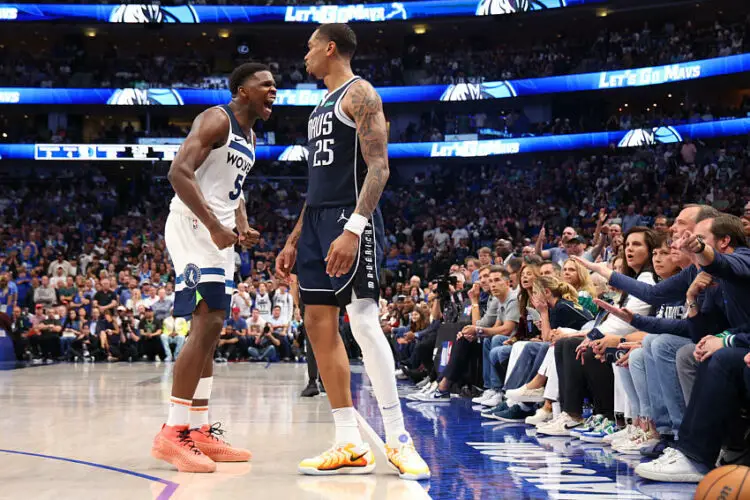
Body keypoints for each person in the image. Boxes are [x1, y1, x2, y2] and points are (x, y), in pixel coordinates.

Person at [275, 23, 429, 480]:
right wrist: (295, 235)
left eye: (309, 49)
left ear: (330, 48)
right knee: (317, 322)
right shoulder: (318, 105)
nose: (304, 57)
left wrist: (354, 228)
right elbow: (316, 183)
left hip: (350, 218)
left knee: (362, 318)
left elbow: (379, 167)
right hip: (318, 219)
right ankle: (349, 441)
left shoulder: (361, 94)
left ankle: (399, 439)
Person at [152, 62, 276, 473]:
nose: (274, 90)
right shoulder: (215, 119)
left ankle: (200, 429)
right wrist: (213, 225)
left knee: (214, 326)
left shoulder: (251, 135)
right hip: (191, 226)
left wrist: (240, 223)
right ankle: (173, 431)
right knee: (206, 322)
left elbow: (232, 189)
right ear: (242, 90)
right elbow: (178, 172)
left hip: (219, 232)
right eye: (266, 84)